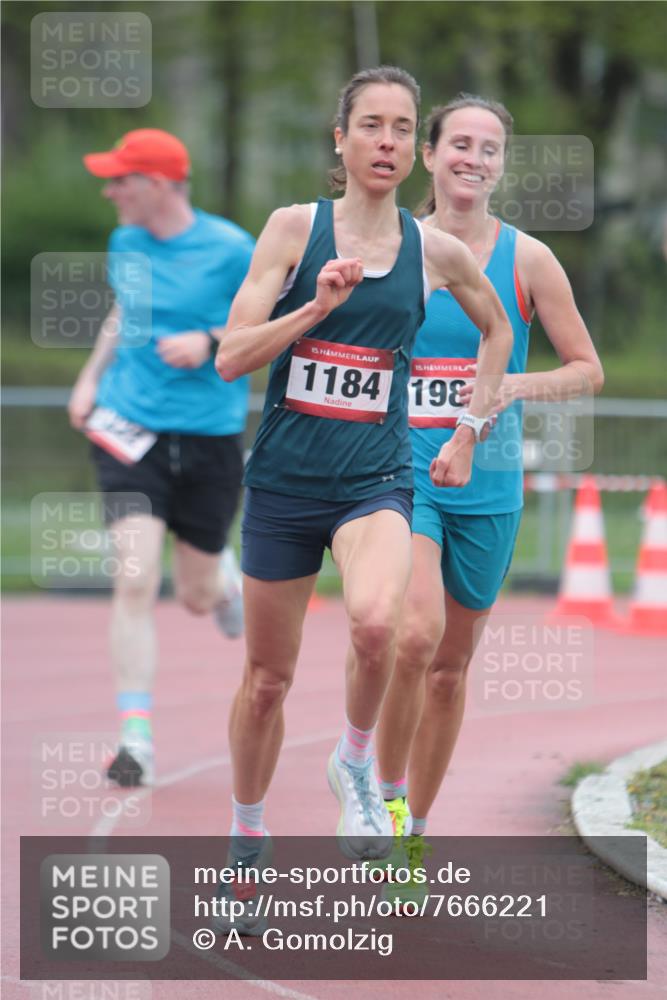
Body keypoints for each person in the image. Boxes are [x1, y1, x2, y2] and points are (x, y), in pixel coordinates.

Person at [212, 67, 513, 931]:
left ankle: (352, 764)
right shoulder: (291, 229)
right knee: (267, 681)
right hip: (280, 485)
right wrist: (314, 307)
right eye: (370, 125)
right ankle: (246, 841)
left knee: (381, 626)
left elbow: (495, 329)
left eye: (400, 127)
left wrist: (465, 431)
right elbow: (233, 357)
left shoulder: (434, 253)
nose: (385, 141)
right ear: (339, 141)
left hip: (374, 481)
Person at [373, 95, 604, 890]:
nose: (473, 158)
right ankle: (382, 801)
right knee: (412, 635)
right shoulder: (389, 246)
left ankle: (416, 830)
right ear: (428, 157)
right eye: (459, 144)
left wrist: (509, 388)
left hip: (490, 480)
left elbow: (586, 369)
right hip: (400, 470)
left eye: (490, 148)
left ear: (501, 165)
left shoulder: (528, 260)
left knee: (448, 666)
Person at [67, 128, 255, 788]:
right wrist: (92, 376)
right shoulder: (126, 243)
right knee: (135, 577)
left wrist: (209, 338)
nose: (109, 189)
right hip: (131, 432)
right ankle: (136, 740)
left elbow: (273, 321)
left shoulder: (233, 249)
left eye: (121, 179)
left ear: (157, 184)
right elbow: (126, 311)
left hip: (207, 436)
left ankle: (223, 580)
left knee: (199, 597)